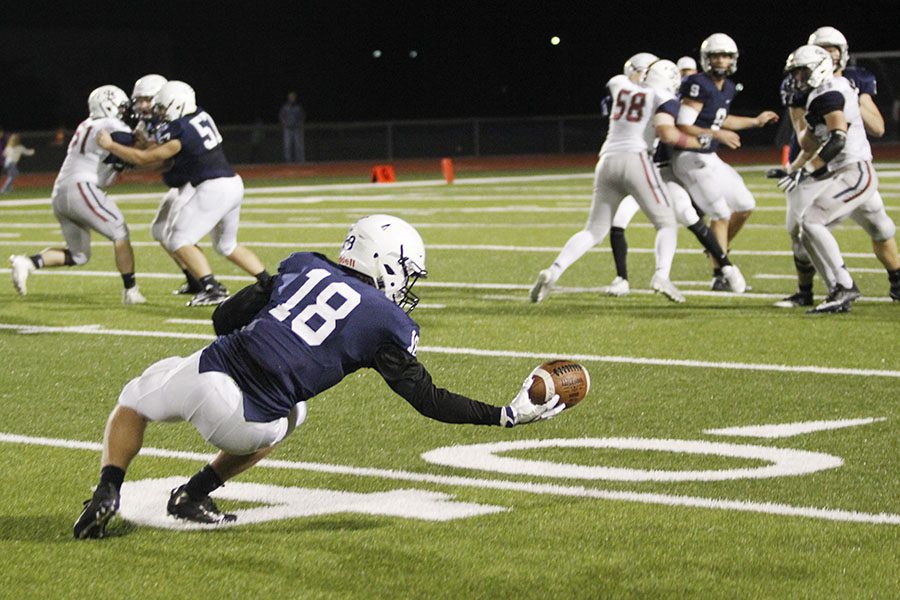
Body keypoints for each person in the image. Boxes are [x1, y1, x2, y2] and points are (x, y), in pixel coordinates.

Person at [73, 214, 564, 539]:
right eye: (405, 271)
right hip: (251, 423)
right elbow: (428, 399)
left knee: (134, 401)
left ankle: (107, 489)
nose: (407, 284)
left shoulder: (303, 266)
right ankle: (193, 493)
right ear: (384, 262)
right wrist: (504, 415)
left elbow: (223, 320)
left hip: (208, 376)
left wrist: (270, 297)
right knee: (291, 413)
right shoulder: (387, 322)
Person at [530, 59, 736, 305]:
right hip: (636, 158)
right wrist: (702, 142)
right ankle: (661, 276)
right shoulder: (665, 98)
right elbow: (667, 134)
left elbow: (620, 83)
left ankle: (553, 271)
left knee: (593, 231)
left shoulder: (620, 85)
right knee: (667, 223)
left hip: (606, 161)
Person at [98, 80, 270, 307]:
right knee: (226, 246)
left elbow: (147, 158)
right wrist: (146, 142)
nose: (159, 112)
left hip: (214, 187)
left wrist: (111, 146)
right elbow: (170, 152)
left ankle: (212, 288)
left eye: (162, 107)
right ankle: (268, 283)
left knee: (178, 238)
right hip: (232, 183)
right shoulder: (199, 115)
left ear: (176, 104)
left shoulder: (180, 129)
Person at [771, 27, 900, 306]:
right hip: (837, 169)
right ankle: (833, 289)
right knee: (805, 228)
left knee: (815, 222)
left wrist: (807, 169)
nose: (797, 80)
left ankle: (845, 286)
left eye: (802, 73)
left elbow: (839, 139)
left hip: (851, 169)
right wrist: (794, 167)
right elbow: (807, 140)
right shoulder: (820, 93)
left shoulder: (832, 91)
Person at [601, 59, 747, 297]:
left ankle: (725, 268)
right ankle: (622, 279)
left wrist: (704, 137)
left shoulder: (669, 101)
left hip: (661, 170)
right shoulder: (642, 97)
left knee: (688, 217)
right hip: (638, 169)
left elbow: (676, 129)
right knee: (620, 221)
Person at [8, 86, 146, 305]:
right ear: (107, 105)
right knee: (120, 231)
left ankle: (28, 262)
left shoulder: (87, 125)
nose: (123, 112)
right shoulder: (110, 124)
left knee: (79, 255)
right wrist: (147, 133)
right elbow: (138, 146)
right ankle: (131, 291)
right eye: (120, 107)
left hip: (61, 193)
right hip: (81, 187)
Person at [672, 33, 780, 291]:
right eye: (716, 55)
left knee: (745, 205)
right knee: (720, 213)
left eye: (726, 56)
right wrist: (717, 134)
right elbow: (684, 124)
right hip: (689, 156)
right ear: (706, 59)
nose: (721, 60)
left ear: (733, 59)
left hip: (709, 156)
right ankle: (720, 272)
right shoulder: (697, 83)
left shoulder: (728, 87)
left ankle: (714, 251)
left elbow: (721, 120)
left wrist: (755, 121)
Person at [129, 74, 204, 296]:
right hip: (180, 183)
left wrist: (132, 159)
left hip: (196, 181)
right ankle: (194, 279)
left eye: (148, 99)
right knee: (160, 230)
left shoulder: (175, 120)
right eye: (139, 100)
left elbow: (163, 161)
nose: (143, 105)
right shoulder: (151, 123)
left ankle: (209, 283)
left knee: (178, 235)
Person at [279, 91, 306, 163]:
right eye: (291, 97)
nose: (292, 98)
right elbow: (281, 116)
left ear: (295, 98)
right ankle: (288, 161)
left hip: (297, 129)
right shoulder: (285, 107)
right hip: (287, 129)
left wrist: (300, 124)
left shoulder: (298, 107)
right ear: (288, 98)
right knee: (287, 146)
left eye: (293, 97)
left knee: (298, 146)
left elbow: (302, 117)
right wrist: (284, 123)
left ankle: (299, 161)